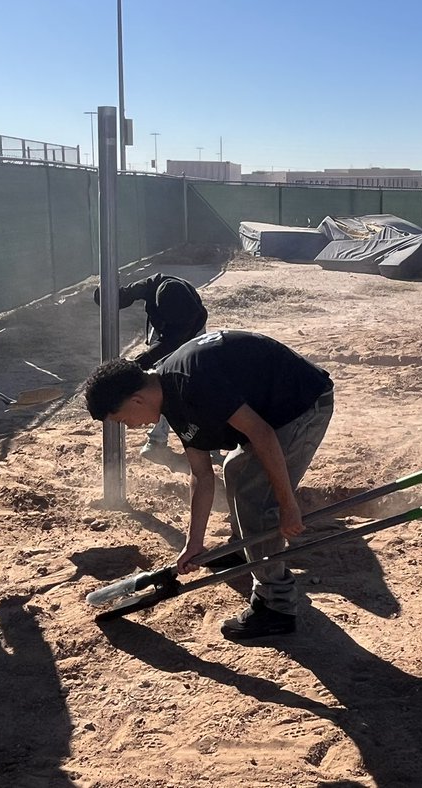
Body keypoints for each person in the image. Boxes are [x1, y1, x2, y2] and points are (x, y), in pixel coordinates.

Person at [82, 329, 333, 640]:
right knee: (234, 470)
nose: (131, 427)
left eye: (122, 421)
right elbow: (201, 474)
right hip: (271, 412)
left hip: (301, 407)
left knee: (255, 498)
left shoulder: (192, 382)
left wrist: (288, 505)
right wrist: (194, 542)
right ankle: (248, 548)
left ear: (136, 399)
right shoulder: (169, 395)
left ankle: (276, 606)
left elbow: (263, 435)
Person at [94, 273, 207, 462]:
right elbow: (122, 299)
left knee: (170, 384)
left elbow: (175, 339)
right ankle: (158, 441)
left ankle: (173, 439)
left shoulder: (174, 294)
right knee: (161, 384)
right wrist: (105, 288)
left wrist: (144, 360)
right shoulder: (152, 287)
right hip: (171, 329)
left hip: (190, 333)